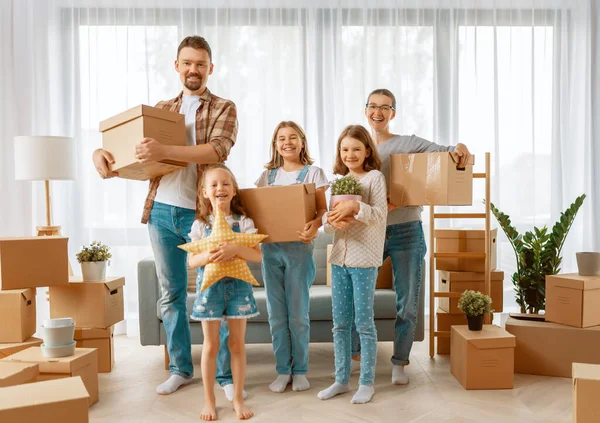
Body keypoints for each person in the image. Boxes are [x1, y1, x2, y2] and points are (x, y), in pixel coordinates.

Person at [92, 36, 243, 397]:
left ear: (211, 68)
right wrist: (103, 155)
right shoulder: (159, 109)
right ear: (177, 66)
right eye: (187, 63)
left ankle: (224, 376)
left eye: (201, 64)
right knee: (171, 294)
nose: (194, 69)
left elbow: (218, 148)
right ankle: (180, 368)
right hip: (161, 209)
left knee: (215, 292)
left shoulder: (224, 106)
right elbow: (131, 153)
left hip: (203, 213)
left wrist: (165, 149)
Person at [350, 88, 472, 385]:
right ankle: (354, 353)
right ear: (365, 109)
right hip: (370, 231)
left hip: (407, 230)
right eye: (372, 106)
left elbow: (447, 153)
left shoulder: (408, 143)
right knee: (357, 296)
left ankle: (399, 362)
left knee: (408, 301)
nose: (377, 112)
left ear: (394, 113)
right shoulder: (357, 145)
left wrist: (460, 146)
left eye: (385, 107)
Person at [255, 121, 329, 393]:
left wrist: (315, 225)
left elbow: (322, 210)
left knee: (297, 314)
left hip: (299, 250)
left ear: (302, 142)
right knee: (276, 315)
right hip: (270, 250)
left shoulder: (313, 174)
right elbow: (257, 210)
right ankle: (282, 370)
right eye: (281, 138)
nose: (287, 142)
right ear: (275, 144)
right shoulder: (266, 178)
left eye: (293, 137)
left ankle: (300, 370)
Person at [317, 125, 387, 405]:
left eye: (356, 149)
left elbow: (380, 215)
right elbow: (327, 226)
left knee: (364, 324)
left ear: (367, 151)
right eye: (345, 149)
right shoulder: (338, 183)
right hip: (339, 259)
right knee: (340, 324)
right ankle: (341, 380)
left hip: (364, 259)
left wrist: (355, 208)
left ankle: (367, 383)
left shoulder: (375, 179)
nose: (350, 154)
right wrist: (329, 222)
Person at [189, 164, 259, 421]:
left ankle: (238, 399)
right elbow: (191, 261)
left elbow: (257, 256)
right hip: (210, 291)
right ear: (205, 192)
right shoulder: (200, 225)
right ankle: (209, 400)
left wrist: (235, 250)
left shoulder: (244, 223)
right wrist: (208, 255)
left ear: (234, 190)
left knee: (237, 344)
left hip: (239, 289)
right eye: (214, 185)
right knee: (210, 345)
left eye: (226, 183)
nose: (220, 188)